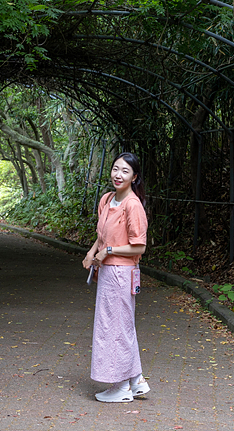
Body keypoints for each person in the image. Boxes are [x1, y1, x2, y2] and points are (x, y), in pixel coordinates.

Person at [82, 152, 149, 403]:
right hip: (107, 272)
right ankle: (136, 380)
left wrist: (108, 252)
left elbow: (139, 246)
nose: (118, 175)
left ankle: (121, 386)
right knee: (121, 326)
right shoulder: (107, 199)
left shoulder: (133, 205)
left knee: (114, 328)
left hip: (121, 273)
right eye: (115, 169)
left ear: (134, 177)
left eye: (125, 171)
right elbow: (101, 235)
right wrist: (91, 254)